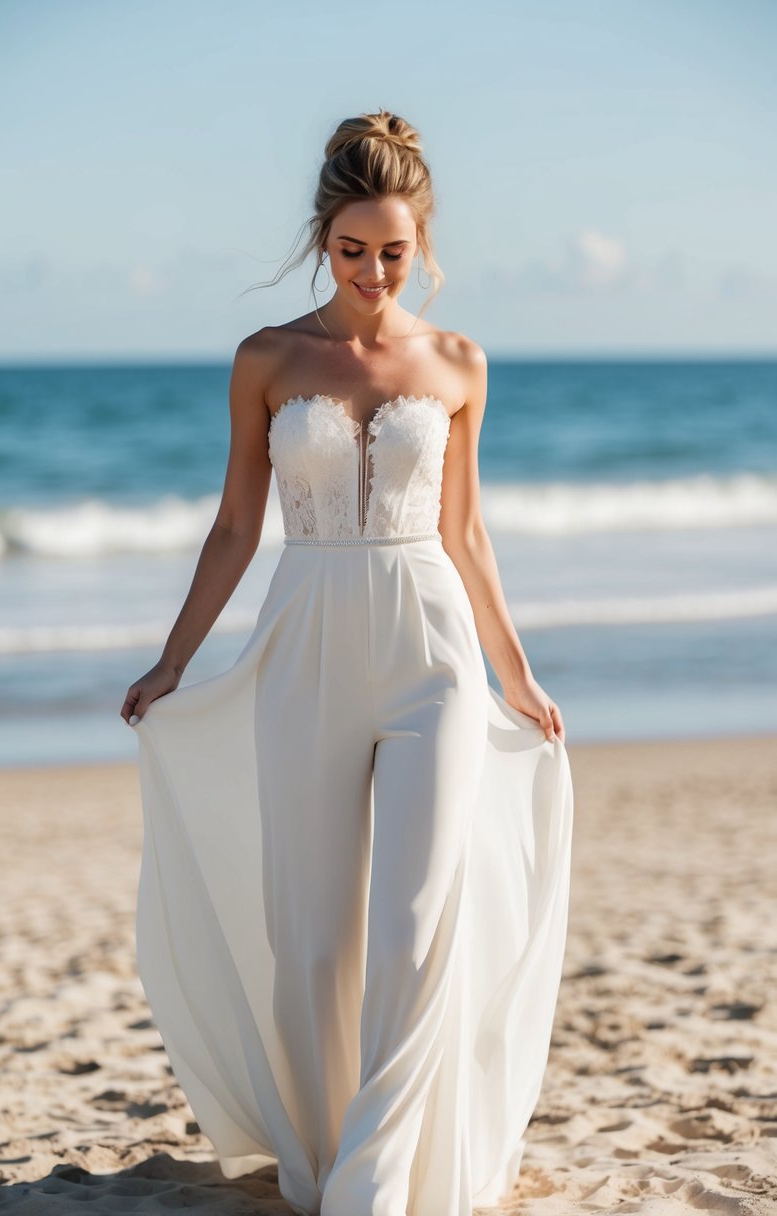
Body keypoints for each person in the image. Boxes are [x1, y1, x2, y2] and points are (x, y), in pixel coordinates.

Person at [121, 109, 573, 1216]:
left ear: (422, 246)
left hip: (430, 651)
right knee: (312, 932)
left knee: (416, 927)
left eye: (395, 252)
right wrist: (175, 660)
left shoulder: (458, 361)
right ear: (322, 240)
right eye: (353, 249)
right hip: (305, 641)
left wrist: (512, 671)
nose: (374, 273)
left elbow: (465, 533)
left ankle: (377, 1180)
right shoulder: (267, 360)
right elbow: (236, 527)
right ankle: (326, 1155)